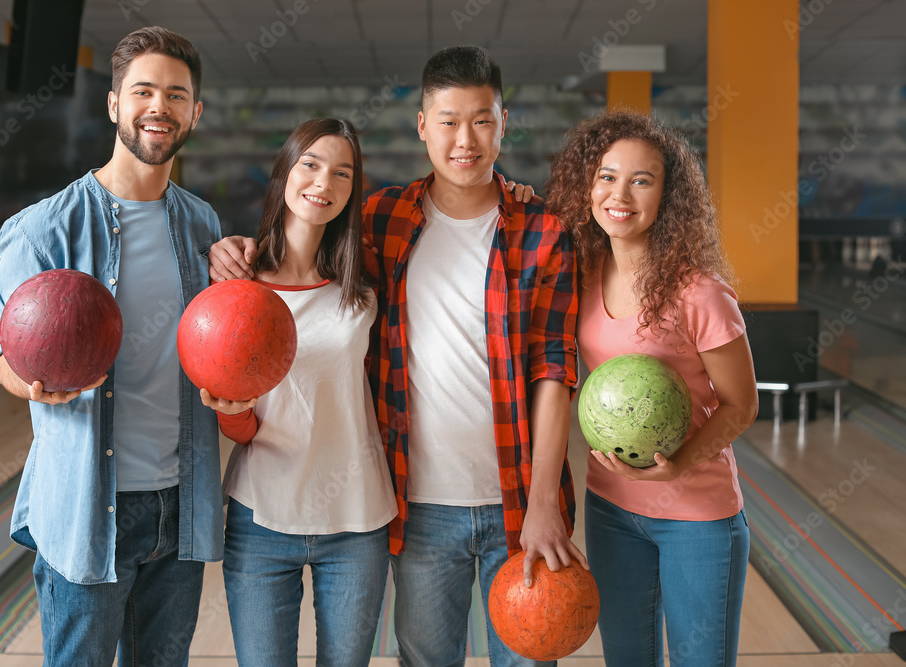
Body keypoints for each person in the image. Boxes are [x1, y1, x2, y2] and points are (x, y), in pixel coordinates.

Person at [211, 45, 585, 667]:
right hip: (417, 504)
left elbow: (554, 367)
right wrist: (232, 249)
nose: (465, 139)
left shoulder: (544, 231)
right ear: (422, 126)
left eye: (482, 121)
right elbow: (304, 252)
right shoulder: (382, 221)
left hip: (519, 503)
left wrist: (544, 501)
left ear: (503, 122)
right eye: (448, 121)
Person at [0, 26, 220, 666]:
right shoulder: (42, 229)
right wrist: (31, 382)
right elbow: (1, 353)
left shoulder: (202, 224)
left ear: (194, 112)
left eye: (177, 95)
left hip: (180, 505)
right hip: (88, 508)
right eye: (143, 90)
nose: (159, 107)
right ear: (114, 103)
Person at [545, 110, 759, 667]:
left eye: (642, 180)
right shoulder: (582, 273)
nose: (621, 193)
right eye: (607, 176)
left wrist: (680, 461)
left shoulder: (701, 293)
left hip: (699, 516)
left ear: (668, 196)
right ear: (587, 186)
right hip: (611, 505)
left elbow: (742, 404)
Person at [201, 118, 397, 667]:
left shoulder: (363, 288)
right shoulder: (235, 286)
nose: (323, 182)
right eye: (310, 164)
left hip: (355, 519)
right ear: (285, 171)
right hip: (262, 516)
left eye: (342, 173)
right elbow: (244, 421)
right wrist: (231, 413)